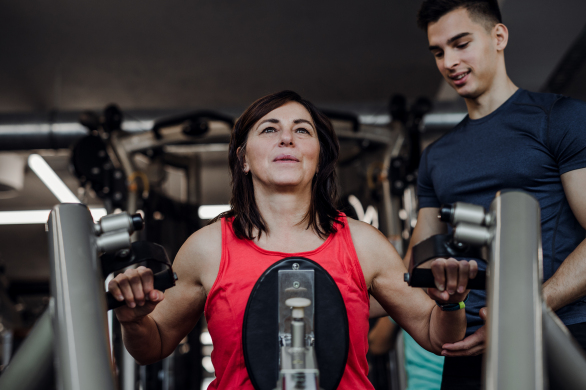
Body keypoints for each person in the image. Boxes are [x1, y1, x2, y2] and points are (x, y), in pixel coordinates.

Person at [107, 90, 478, 389]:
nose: (287, 137)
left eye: (303, 130)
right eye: (269, 129)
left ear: (318, 159)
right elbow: (152, 345)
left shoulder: (364, 244)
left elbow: (435, 335)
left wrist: (451, 305)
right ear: (244, 159)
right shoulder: (208, 248)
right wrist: (134, 321)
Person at [410, 1, 586, 388]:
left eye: (461, 43)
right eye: (438, 51)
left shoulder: (561, 118)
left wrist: (518, 312)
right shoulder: (436, 156)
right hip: (468, 350)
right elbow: (417, 262)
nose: (449, 61)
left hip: (560, 335)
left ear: (499, 36)